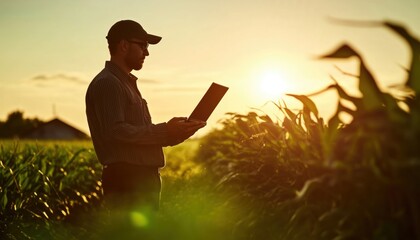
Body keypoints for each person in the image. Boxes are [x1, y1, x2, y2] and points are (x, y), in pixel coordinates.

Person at [85, 20, 205, 211]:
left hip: (139, 179)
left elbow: (139, 135)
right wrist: (165, 130)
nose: (147, 53)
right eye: (142, 45)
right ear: (124, 45)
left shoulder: (123, 83)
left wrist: (176, 133)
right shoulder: (108, 83)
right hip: (127, 180)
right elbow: (115, 132)